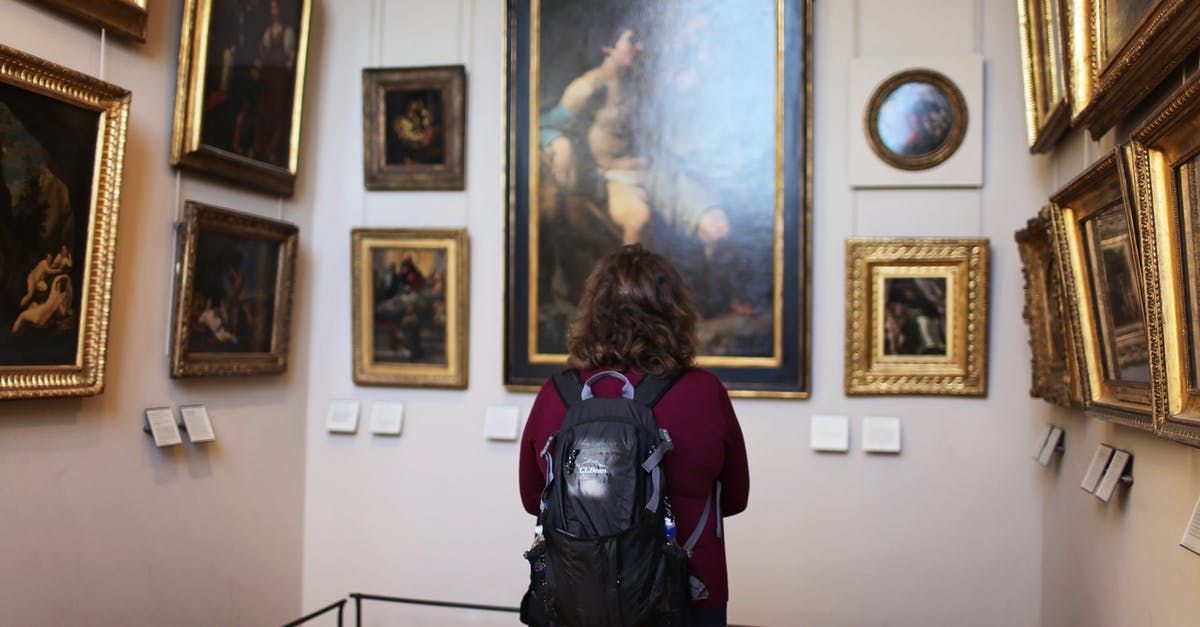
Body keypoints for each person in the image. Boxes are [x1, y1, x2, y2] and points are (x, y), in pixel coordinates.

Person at [518, 244, 750, 627]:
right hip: (687, 589)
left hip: (578, 593)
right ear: (677, 314)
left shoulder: (555, 395)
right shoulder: (704, 392)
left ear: (592, 314)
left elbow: (533, 499)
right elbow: (736, 498)